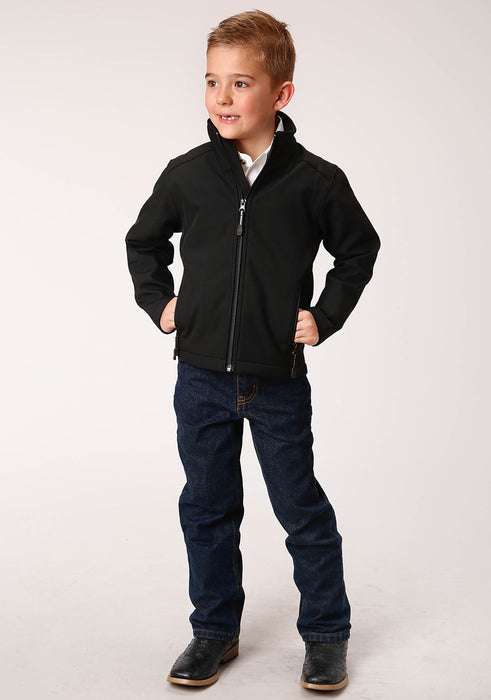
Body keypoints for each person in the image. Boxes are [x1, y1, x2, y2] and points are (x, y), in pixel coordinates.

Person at [125, 9, 380, 692]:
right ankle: (214, 631)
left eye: (240, 83)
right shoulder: (187, 174)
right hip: (200, 377)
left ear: (280, 93)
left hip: (276, 380)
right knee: (207, 509)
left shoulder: (315, 180)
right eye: (212, 81)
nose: (222, 97)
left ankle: (325, 636)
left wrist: (323, 317)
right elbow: (143, 242)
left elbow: (358, 250)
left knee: (301, 511)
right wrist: (160, 304)